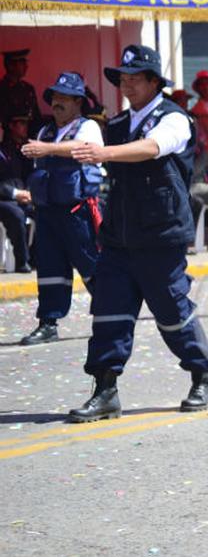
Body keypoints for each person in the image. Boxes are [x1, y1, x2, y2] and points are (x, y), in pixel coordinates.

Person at [67, 44, 208, 422]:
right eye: (123, 78)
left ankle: (202, 375)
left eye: (135, 78)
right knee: (109, 313)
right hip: (119, 236)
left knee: (171, 311)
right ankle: (105, 390)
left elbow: (152, 148)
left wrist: (105, 154)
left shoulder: (174, 119)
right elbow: (92, 154)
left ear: (154, 82)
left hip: (161, 234)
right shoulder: (117, 124)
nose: (127, 85)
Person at [18, 72, 102, 345]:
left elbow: (82, 148)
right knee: (50, 268)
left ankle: (113, 316)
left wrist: (47, 149)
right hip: (48, 212)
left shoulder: (87, 127)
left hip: (78, 212)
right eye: (55, 96)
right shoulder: (46, 132)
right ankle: (48, 323)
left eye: (65, 97)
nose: (58, 102)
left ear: (78, 102)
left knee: (91, 265)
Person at [0, 114, 34, 273]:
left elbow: (24, 175)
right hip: (4, 199)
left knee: (45, 210)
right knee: (16, 213)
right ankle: (22, 261)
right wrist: (14, 193)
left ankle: (40, 258)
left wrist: (28, 192)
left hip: (19, 197)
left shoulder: (10, 150)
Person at [0, 49, 42, 133]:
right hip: (8, 136)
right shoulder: (2, 89)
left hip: (29, 135)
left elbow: (36, 116)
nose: (26, 66)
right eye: (22, 63)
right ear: (11, 66)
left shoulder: (28, 88)